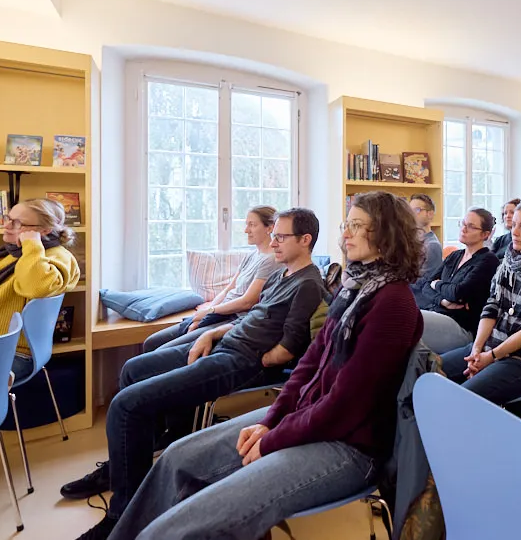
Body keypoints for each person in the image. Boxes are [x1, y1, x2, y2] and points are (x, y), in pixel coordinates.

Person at [106, 191, 424, 540]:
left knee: (182, 526)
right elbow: (308, 367)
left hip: (349, 446)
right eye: (345, 225)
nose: (345, 234)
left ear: (386, 233)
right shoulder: (354, 289)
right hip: (308, 417)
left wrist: (274, 437)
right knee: (176, 457)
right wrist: (273, 419)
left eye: (357, 226)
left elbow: (348, 405)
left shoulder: (393, 303)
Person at [65, 209, 326, 540]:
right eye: (273, 235)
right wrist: (211, 334)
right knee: (133, 369)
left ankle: (123, 515)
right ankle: (129, 470)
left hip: (241, 362)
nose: (272, 241)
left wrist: (255, 358)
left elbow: (287, 348)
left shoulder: (308, 285)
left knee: (124, 406)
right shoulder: (281, 275)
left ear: (305, 241)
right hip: (225, 346)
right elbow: (253, 317)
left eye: (280, 236)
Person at [440, 199, 521, 405]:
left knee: (460, 398)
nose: (514, 232)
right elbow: (492, 307)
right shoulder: (509, 260)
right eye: (514, 224)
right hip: (491, 345)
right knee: (427, 370)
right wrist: (477, 350)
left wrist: (491, 357)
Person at [0, 198, 80, 380]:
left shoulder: (58, 257)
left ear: (44, 230)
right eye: (8, 218)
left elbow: (35, 287)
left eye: (17, 223)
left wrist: (33, 244)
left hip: (7, 351)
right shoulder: (9, 254)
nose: (6, 225)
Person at [143, 206, 281, 351]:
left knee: (161, 350)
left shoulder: (270, 261)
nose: (246, 230)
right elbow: (229, 289)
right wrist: (205, 313)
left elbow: (247, 302)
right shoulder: (251, 255)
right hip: (217, 313)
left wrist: (210, 312)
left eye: (252, 225)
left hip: (232, 318)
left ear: (270, 228)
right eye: (246, 224)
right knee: (151, 342)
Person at [418, 208, 500, 354]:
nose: (464, 229)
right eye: (463, 223)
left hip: (461, 327)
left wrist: (437, 284)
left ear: (485, 234)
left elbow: (458, 293)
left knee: (406, 320)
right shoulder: (455, 255)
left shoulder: (488, 260)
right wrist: (443, 301)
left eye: (471, 226)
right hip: (438, 313)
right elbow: (425, 285)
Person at [408, 193, 443, 302]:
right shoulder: (410, 242)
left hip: (421, 304)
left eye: (417, 210)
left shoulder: (432, 246)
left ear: (430, 214)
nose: (412, 215)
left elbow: (422, 283)